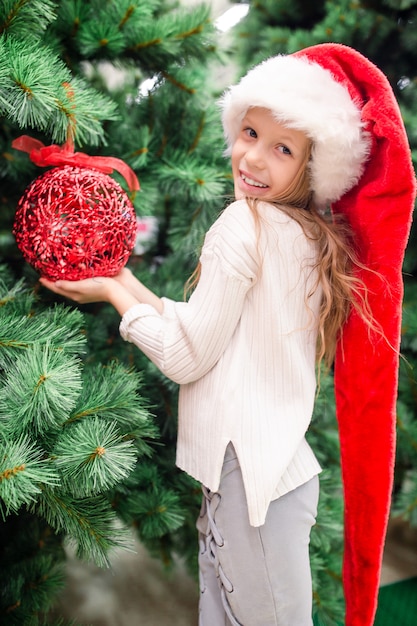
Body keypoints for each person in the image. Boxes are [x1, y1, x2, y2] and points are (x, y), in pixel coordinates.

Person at [40, 44, 415, 626]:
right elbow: (207, 330)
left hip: (250, 490)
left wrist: (115, 297)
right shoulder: (305, 236)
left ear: (312, 168)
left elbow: (187, 356)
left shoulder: (245, 224)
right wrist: (125, 278)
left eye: (282, 148)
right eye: (249, 132)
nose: (254, 159)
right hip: (272, 478)